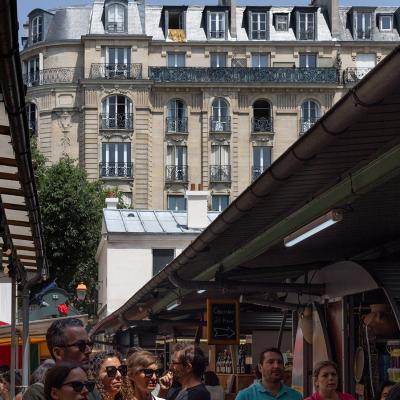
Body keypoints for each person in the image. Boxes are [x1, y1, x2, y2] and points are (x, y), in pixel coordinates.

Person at [23, 318, 96, 400]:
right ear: (58, 353)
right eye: (81, 345)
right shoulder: (37, 393)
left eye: (89, 344)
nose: (89, 350)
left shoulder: (92, 387)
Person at [235, 348, 302, 400]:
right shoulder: (246, 396)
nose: (276, 366)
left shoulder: (295, 396)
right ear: (260, 367)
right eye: (271, 362)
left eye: (279, 362)